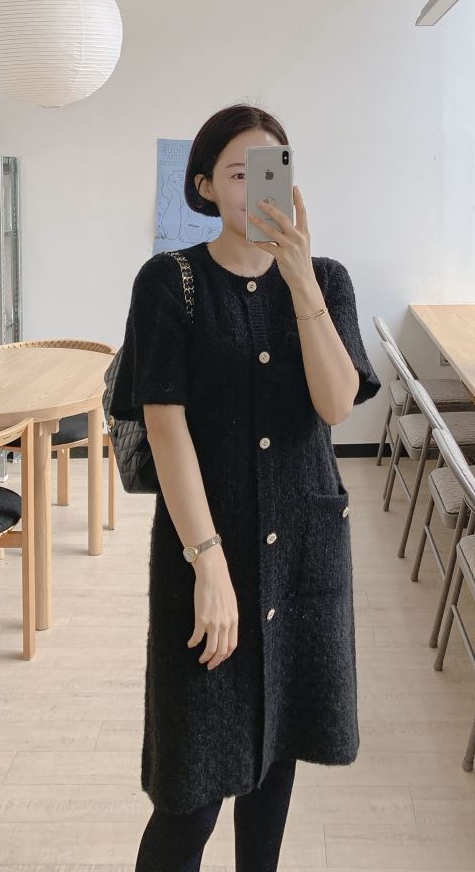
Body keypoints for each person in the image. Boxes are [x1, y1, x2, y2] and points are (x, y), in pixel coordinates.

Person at [110, 103, 381, 871]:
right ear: (204, 185)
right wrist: (210, 565)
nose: (257, 187)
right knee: (189, 793)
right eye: (238, 172)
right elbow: (165, 426)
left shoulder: (326, 281)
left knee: (273, 763)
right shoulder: (170, 282)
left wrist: (300, 279)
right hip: (206, 557)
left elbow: (336, 404)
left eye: (271, 169)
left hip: (301, 554)